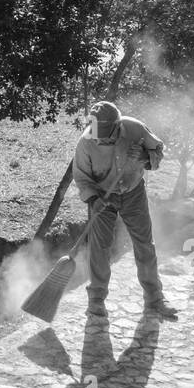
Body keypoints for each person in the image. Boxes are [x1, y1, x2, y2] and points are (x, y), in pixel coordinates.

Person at [72, 100, 177, 320]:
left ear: (117, 126)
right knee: (99, 248)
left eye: (104, 133)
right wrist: (93, 198)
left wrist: (144, 158)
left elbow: (158, 150)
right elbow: (82, 178)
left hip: (133, 193)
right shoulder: (86, 143)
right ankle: (96, 301)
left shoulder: (134, 128)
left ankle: (155, 298)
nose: (98, 137)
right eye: (95, 131)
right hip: (102, 197)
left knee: (144, 244)